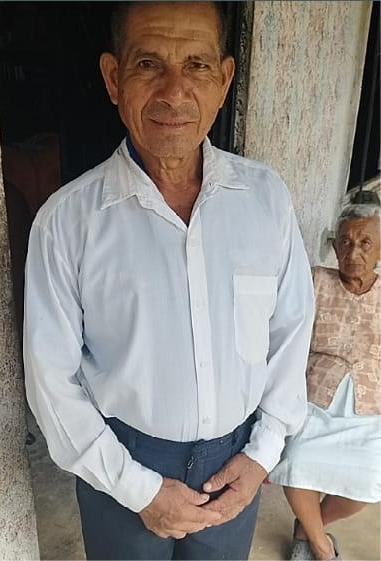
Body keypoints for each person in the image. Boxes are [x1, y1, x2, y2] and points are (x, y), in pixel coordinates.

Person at [23, 2, 315, 559]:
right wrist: (137, 488)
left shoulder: (265, 200)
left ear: (224, 80)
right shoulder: (67, 222)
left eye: (197, 65)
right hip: (120, 464)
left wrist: (262, 453)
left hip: (236, 463)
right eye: (149, 64)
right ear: (113, 78)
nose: (174, 91)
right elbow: (51, 379)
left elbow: (290, 329)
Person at [269, 204, 381, 561]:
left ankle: (308, 526)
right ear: (334, 247)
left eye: (365, 243)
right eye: (345, 242)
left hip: (370, 408)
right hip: (314, 399)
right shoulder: (315, 281)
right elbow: (287, 336)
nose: (353, 251)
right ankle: (320, 545)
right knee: (295, 463)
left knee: (370, 482)